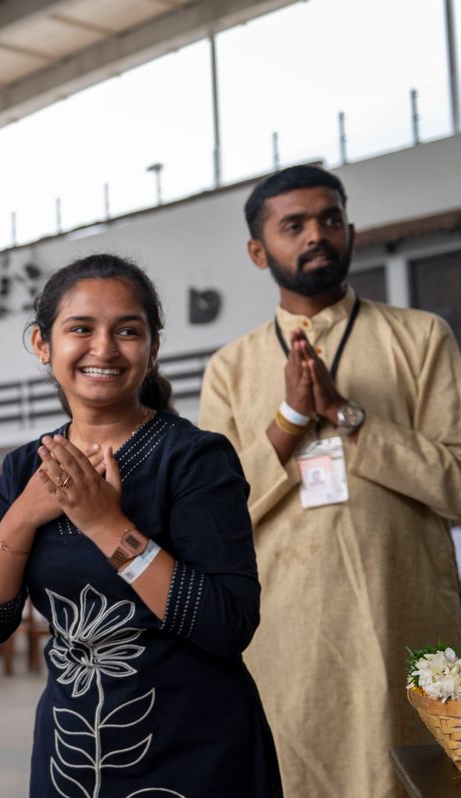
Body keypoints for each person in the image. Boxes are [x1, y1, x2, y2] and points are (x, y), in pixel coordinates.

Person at [0, 254, 282, 797]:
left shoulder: (195, 459)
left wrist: (104, 523)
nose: (103, 348)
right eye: (80, 329)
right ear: (42, 344)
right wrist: (26, 511)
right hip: (74, 758)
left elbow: (229, 625)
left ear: (152, 349)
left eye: (127, 331)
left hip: (198, 754)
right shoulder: (23, 469)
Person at [199, 164, 461, 797]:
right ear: (259, 251)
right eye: (295, 225)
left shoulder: (421, 337)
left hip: (413, 620)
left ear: (350, 230)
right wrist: (289, 421)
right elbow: (212, 516)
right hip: (288, 636)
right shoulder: (230, 369)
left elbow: (457, 485)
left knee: (431, 781)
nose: (318, 234)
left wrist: (348, 416)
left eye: (331, 219)